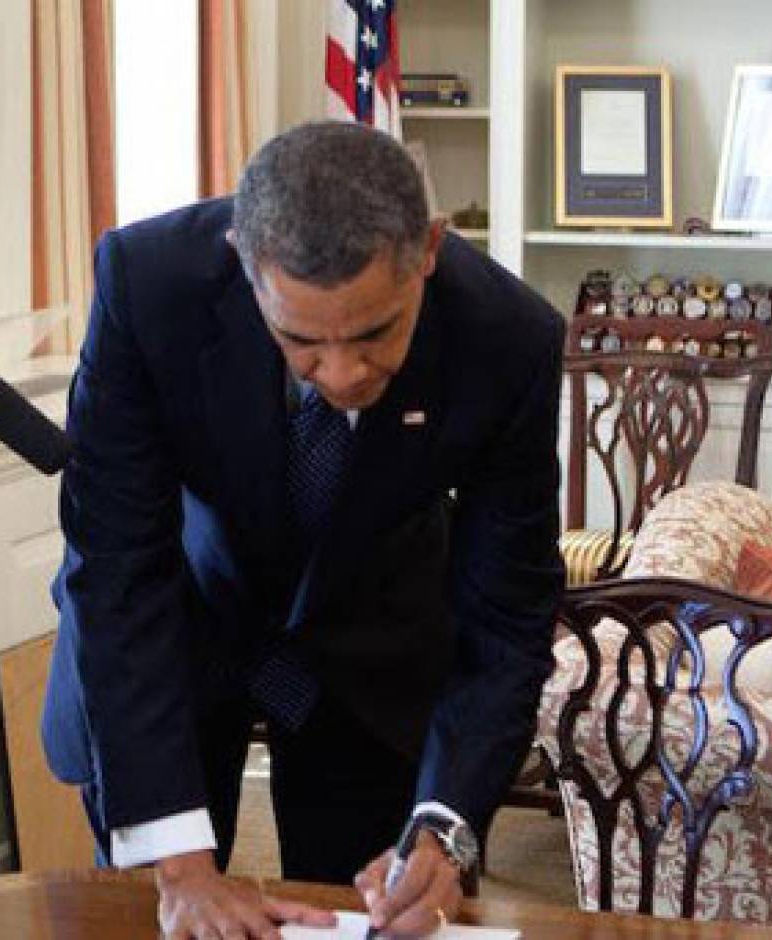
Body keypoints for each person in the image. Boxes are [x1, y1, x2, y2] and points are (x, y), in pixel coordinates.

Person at [41, 121, 565, 939]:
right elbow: (116, 566)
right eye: (300, 342)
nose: (345, 375)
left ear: (427, 251)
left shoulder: (509, 339)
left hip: (372, 644)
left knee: (379, 914)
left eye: (375, 334)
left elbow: (507, 610)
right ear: (243, 264)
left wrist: (445, 827)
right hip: (176, 635)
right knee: (167, 919)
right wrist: (179, 865)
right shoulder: (148, 285)